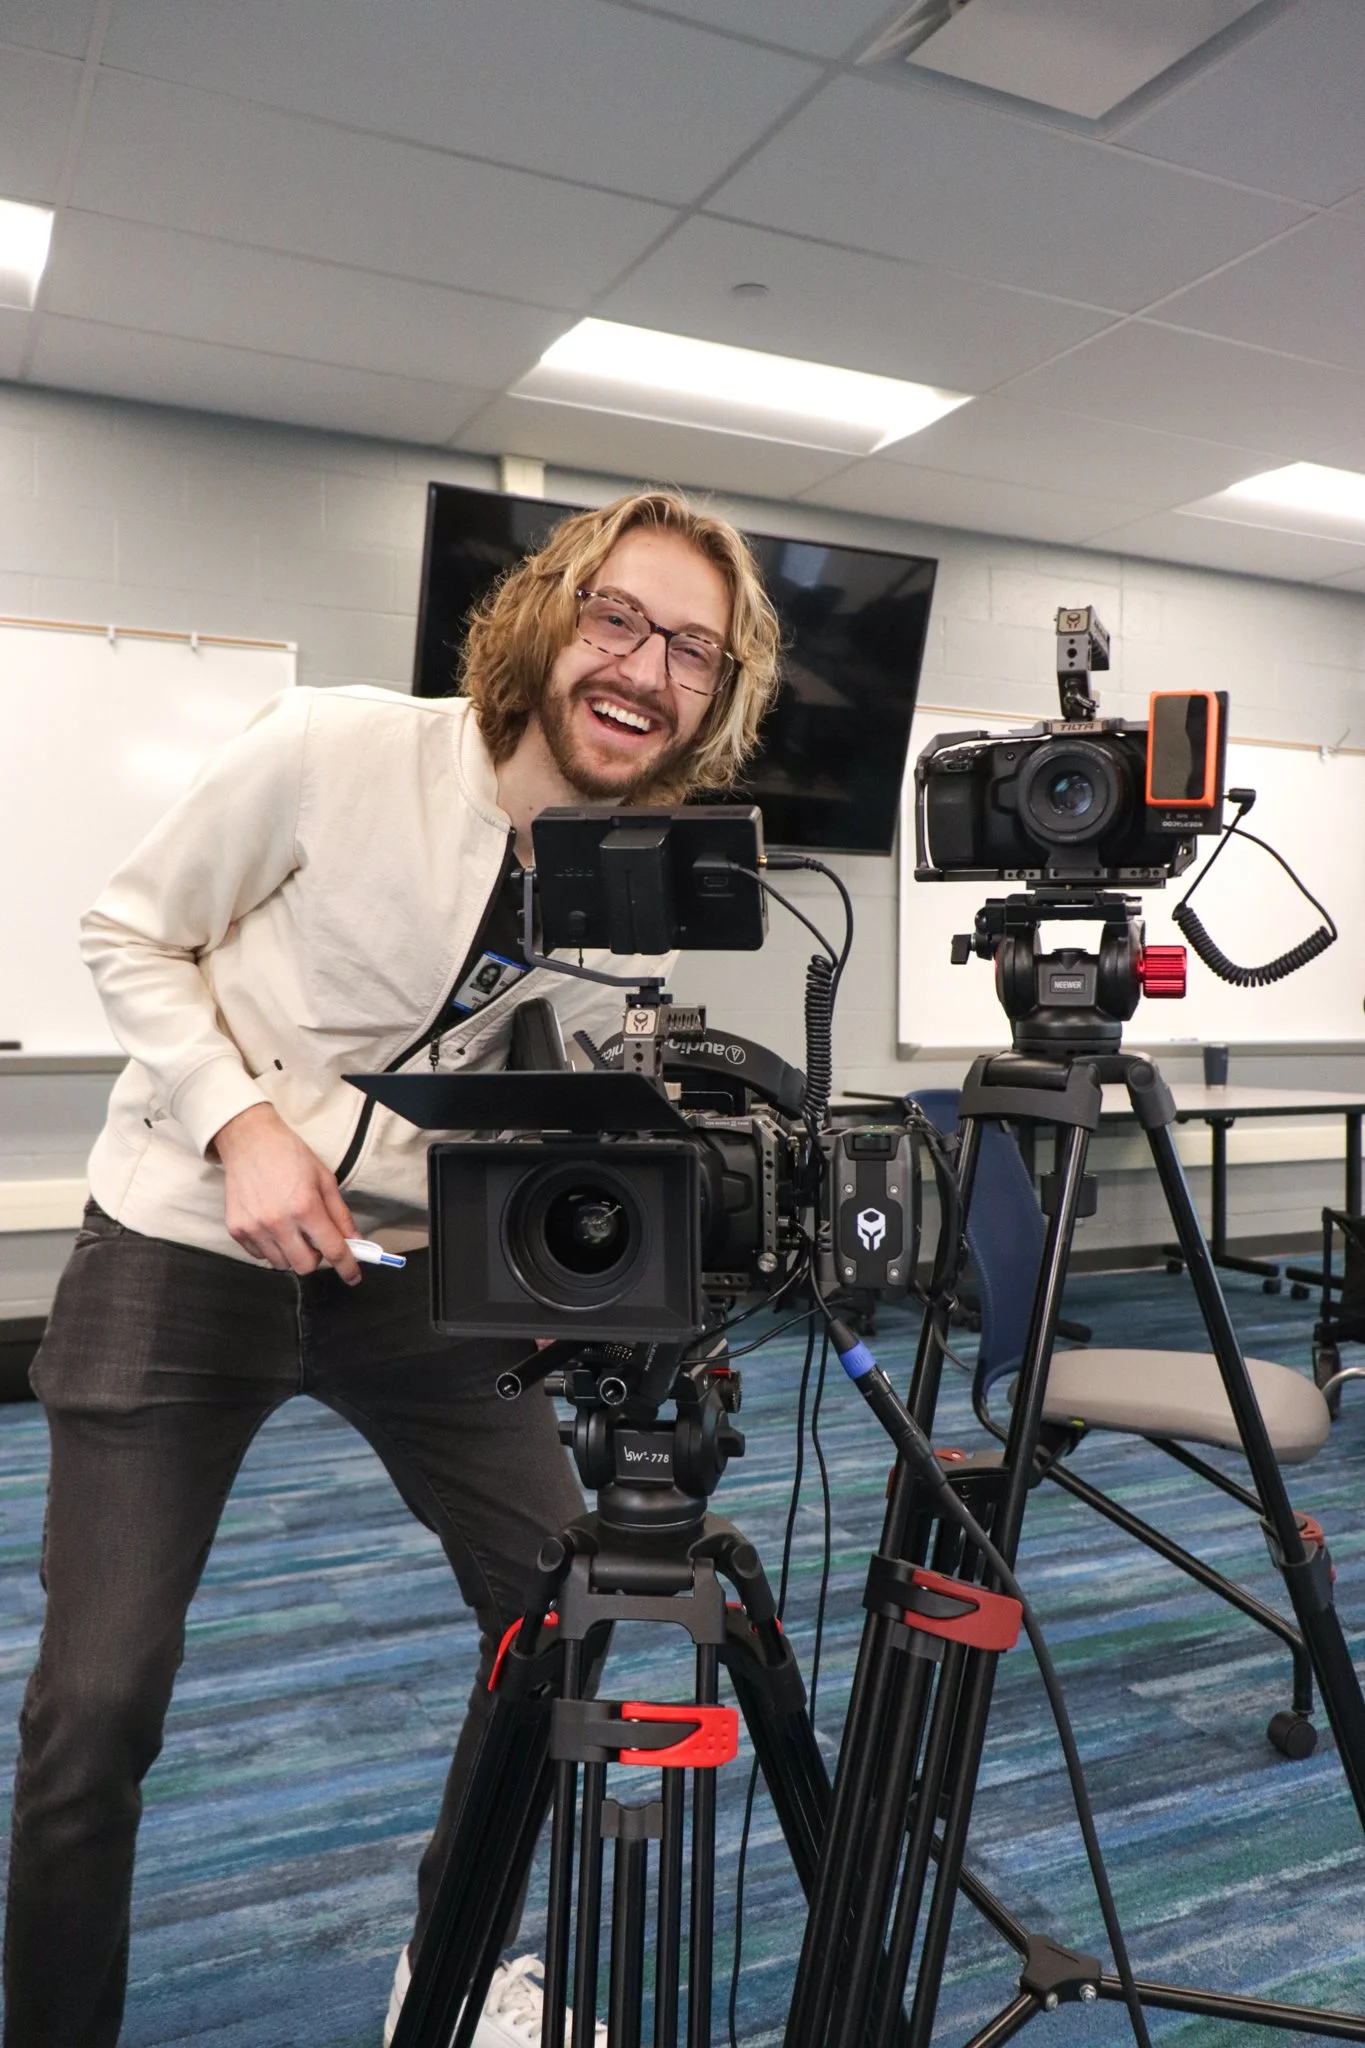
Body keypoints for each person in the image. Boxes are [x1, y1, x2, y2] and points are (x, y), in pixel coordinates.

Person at [3, 489, 781, 2048]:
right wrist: (241, 1127)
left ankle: (452, 1966)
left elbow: (538, 1107)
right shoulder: (335, 747)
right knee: (96, 1706)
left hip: (415, 1275)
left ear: (719, 695)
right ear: (550, 618)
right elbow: (127, 932)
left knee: (565, 1614)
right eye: (619, 619)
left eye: (694, 650)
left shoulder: (639, 891)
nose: (646, 669)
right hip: (183, 1237)